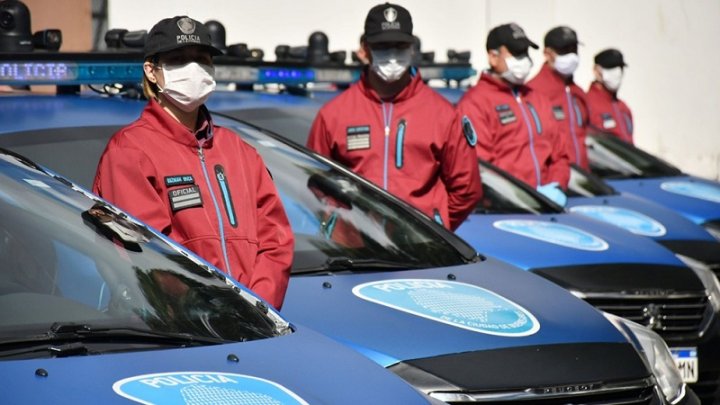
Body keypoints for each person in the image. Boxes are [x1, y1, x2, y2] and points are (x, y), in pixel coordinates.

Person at [92, 16, 293, 309]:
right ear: (151, 70)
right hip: (176, 330)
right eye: (179, 59)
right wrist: (208, 313)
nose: (193, 68)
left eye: (201, 58)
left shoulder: (239, 150)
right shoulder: (130, 150)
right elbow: (144, 253)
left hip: (252, 326)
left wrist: (257, 308)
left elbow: (276, 241)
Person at [307, 3, 482, 231]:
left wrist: (434, 230)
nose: (392, 55)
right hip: (355, 251)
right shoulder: (334, 114)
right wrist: (339, 227)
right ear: (364, 49)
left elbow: (467, 189)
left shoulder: (443, 113)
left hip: (424, 250)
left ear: (412, 48)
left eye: (400, 46)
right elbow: (314, 180)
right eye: (382, 46)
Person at [456, 23, 570, 206]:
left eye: (525, 52)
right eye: (516, 54)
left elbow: (560, 154)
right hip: (506, 210)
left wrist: (556, 185)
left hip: (548, 207)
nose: (524, 60)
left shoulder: (537, 98)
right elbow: (481, 168)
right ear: (493, 57)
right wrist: (520, 199)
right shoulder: (475, 103)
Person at [527, 26, 589, 169]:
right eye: (564, 50)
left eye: (574, 49)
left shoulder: (579, 93)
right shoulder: (533, 91)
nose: (571, 55)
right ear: (547, 53)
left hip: (583, 181)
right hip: (554, 180)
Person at [586, 48, 634, 144]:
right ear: (597, 71)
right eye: (611, 68)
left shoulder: (623, 108)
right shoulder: (586, 104)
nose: (617, 73)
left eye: (620, 68)